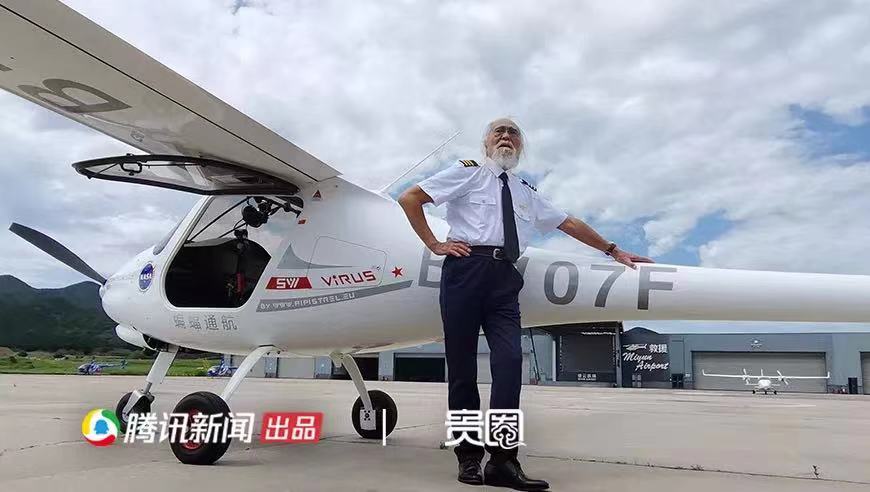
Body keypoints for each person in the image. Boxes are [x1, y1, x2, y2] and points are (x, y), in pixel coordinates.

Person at [398, 118, 652, 490]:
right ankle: (468, 458)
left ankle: (502, 462)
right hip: (465, 271)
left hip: (505, 278)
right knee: (463, 370)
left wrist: (612, 250)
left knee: (509, 364)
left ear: (520, 147)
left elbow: (569, 223)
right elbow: (410, 198)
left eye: (513, 133)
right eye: (498, 132)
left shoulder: (525, 191)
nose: (506, 136)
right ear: (486, 143)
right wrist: (435, 244)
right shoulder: (467, 173)